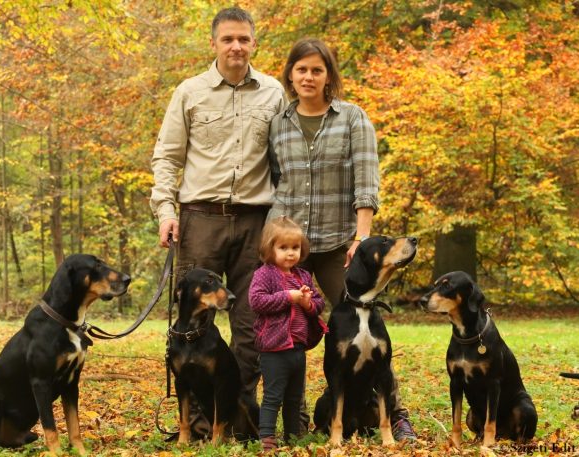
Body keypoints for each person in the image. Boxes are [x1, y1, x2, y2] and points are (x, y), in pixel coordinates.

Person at [267, 38, 417, 440]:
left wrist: (361, 238)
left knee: (369, 329)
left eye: (317, 70)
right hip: (291, 247)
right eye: (301, 69)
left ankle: (395, 414)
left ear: (328, 75)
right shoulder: (278, 123)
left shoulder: (352, 117)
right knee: (284, 330)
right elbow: (276, 182)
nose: (309, 77)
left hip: (339, 244)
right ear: (290, 75)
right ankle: (295, 418)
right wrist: (274, 239)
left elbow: (366, 180)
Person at [150, 6, 287, 437]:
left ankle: (238, 416)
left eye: (244, 39)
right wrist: (166, 212)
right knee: (192, 326)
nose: (236, 46)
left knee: (252, 324)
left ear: (254, 43)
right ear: (213, 43)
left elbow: (285, 162)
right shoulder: (189, 92)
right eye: (228, 39)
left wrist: (283, 221)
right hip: (200, 220)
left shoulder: (274, 93)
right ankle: (196, 421)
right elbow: (167, 158)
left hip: (255, 224)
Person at [248, 216, 326, 451]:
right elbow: (256, 301)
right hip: (274, 348)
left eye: (295, 247)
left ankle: (293, 436)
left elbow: (319, 303)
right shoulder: (264, 274)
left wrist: (307, 303)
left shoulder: (303, 276)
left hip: (298, 348)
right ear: (269, 248)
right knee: (273, 396)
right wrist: (287, 297)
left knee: (294, 396)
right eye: (283, 247)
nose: (290, 253)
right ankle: (267, 437)